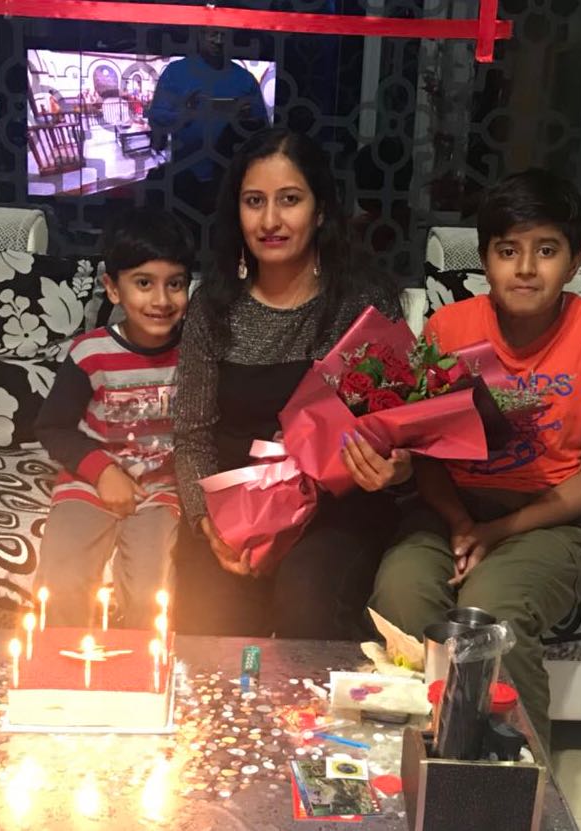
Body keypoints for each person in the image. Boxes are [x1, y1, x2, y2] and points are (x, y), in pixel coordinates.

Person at [369, 169, 581, 750]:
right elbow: (426, 454)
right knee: (401, 594)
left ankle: (515, 779)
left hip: (551, 514)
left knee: (491, 615)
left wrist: (496, 531)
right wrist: (460, 522)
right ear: (485, 261)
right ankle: (411, 759)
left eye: (546, 250)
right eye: (507, 251)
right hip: (451, 506)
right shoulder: (449, 328)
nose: (525, 268)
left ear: (574, 262)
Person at [173, 126, 412, 639]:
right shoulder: (212, 307)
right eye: (254, 202)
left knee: (307, 595)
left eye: (289, 200)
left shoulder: (362, 303)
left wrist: (396, 468)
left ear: (320, 210)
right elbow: (192, 437)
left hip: (335, 510)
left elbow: (400, 427)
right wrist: (208, 525)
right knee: (210, 618)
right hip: (234, 506)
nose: (269, 221)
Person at [34, 208, 194, 628]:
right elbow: (53, 427)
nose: (161, 300)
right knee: (63, 579)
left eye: (175, 284)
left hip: (160, 490)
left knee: (152, 591)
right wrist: (103, 472)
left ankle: (140, 665)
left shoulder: (195, 355)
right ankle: (61, 662)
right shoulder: (91, 353)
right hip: (90, 483)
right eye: (144, 283)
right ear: (112, 288)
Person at [148, 28, 269, 213]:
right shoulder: (175, 72)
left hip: (231, 181)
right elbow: (156, 118)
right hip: (185, 178)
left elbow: (263, 131)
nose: (218, 40)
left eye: (224, 35)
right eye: (213, 33)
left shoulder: (245, 79)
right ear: (200, 35)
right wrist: (185, 115)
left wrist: (248, 119)